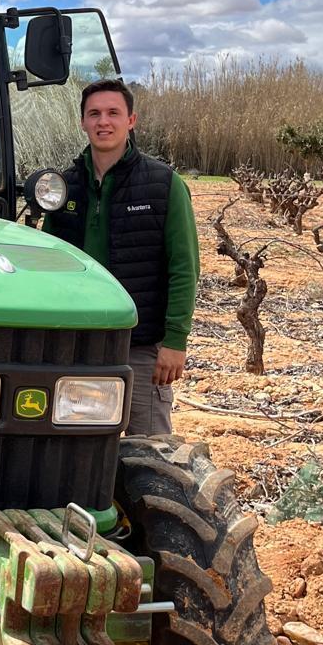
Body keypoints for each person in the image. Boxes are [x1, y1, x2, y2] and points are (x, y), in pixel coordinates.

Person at [43, 78, 200, 435]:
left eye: (114, 113)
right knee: (77, 442)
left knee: (150, 448)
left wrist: (175, 341)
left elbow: (184, 268)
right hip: (76, 344)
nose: (103, 122)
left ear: (131, 120)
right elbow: (48, 267)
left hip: (140, 346)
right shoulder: (64, 187)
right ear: (82, 122)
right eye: (94, 114)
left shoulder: (164, 185)